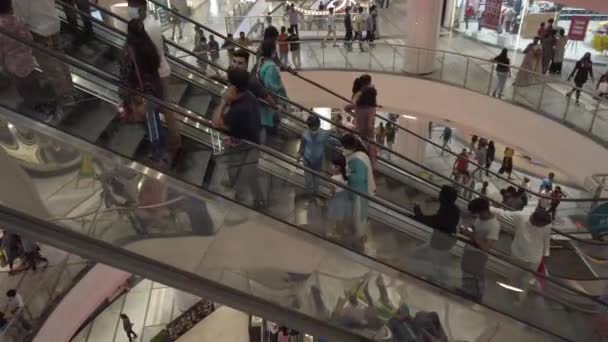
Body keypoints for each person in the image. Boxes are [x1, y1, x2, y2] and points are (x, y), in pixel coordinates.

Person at [13, 0, 80, 123]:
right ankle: (70, 90)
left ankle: (66, 97)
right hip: (52, 22)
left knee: (49, 65)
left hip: (38, 30)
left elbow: (20, 16)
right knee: (60, 58)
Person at [212, 67, 265, 207]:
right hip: (252, 138)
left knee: (241, 169)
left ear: (234, 88)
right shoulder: (248, 95)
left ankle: (245, 197)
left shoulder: (239, 110)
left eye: (229, 84)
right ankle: (253, 196)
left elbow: (216, 123)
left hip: (243, 144)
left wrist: (224, 102)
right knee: (244, 170)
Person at [0, 0, 59, 120]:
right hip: (27, 60)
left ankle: (36, 108)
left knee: (24, 88)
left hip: (12, 64)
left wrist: (2, 64)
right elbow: (29, 38)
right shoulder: (17, 20)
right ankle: (45, 104)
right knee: (32, 82)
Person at [119, 19, 164, 160]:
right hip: (154, 88)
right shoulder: (149, 46)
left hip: (140, 92)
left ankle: (156, 152)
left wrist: (125, 95)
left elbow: (125, 73)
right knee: (154, 119)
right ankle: (158, 146)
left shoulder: (128, 51)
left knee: (150, 122)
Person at [139, 7, 181, 152]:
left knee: (162, 107)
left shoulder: (145, 28)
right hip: (162, 69)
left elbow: (148, 56)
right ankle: (169, 139)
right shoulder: (152, 22)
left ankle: (171, 141)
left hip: (157, 73)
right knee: (164, 106)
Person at [493, 205, 553, 303]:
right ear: (535, 220)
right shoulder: (521, 217)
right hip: (518, 256)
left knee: (526, 281)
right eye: (541, 225)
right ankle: (507, 298)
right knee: (512, 277)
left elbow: (546, 240)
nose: (542, 227)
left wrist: (545, 256)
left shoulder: (547, 225)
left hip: (534, 258)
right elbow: (503, 214)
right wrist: (487, 207)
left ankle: (519, 300)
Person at [413, 186, 460, 285]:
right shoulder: (454, 209)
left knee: (437, 261)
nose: (439, 197)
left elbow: (431, 221)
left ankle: (441, 282)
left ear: (444, 197)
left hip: (441, 242)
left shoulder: (446, 212)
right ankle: (438, 278)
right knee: (431, 256)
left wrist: (417, 210)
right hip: (444, 240)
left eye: (441, 195)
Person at [460, 198, 500, 302]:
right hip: (469, 251)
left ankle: (475, 298)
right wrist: (467, 230)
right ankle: (465, 292)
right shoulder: (479, 218)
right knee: (467, 275)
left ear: (483, 210)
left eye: (477, 212)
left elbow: (486, 247)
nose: (476, 215)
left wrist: (472, 235)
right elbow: (474, 229)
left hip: (478, 256)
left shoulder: (494, 225)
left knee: (475, 278)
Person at [341, 134, 376, 252]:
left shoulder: (358, 158)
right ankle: (358, 238)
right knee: (358, 217)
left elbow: (359, 178)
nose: (343, 149)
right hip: (358, 192)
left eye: (344, 147)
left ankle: (358, 242)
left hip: (358, 193)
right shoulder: (361, 154)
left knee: (358, 217)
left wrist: (346, 175)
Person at [258, 40, 288, 144]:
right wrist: (278, 101)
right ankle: (273, 140)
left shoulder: (262, 63)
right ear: (273, 51)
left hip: (268, 99)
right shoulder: (270, 67)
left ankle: (272, 137)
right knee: (274, 120)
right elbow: (270, 85)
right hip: (273, 100)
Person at [344, 86, 378, 167]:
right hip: (368, 136)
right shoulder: (371, 108)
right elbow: (369, 125)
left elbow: (346, 108)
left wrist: (355, 115)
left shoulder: (357, 105)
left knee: (357, 156)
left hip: (357, 133)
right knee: (370, 160)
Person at [298, 115, 330, 197]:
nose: (313, 130)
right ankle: (309, 193)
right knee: (308, 179)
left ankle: (315, 194)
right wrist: (298, 156)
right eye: (311, 128)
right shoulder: (305, 133)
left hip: (318, 159)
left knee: (316, 179)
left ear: (319, 125)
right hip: (307, 158)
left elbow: (333, 143)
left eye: (315, 128)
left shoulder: (325, 134)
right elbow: (302, 146)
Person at [327, 154, 352, 238]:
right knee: (340, 217)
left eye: (335, 166)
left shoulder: (333, 178)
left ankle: (333, 233)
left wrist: (328, 199)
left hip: (336, 199)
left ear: (339, 167)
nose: (333, 167)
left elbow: (332, 192)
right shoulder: (346, 176)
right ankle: (340, 232)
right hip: (344, 198)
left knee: (333, 217)